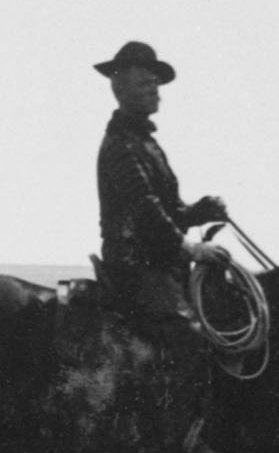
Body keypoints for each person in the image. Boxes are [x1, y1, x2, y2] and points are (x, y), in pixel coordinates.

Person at [91, 41, 229, 322]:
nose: (155, 91)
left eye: (156, 83)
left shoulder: (145, 143)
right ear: (119, 90)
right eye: (144, 83)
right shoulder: (122, 144)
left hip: (159, 262)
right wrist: (192, 249)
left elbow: (169, 210)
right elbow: (146, 210)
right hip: (136, 266)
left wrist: (202, 211)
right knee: (188, 338)